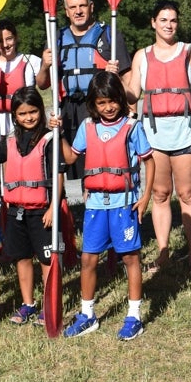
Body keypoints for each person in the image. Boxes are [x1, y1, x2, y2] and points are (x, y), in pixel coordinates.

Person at [124, 0, 191, 275]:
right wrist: (117, 81)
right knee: (160, 194)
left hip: (187, 133)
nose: (168, 25)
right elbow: (132, 96)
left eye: (173, 20)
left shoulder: (189, 52)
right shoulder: (142, 56)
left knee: (187, 195)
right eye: (163, 20)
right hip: (153, 134)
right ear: (153, 22)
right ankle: (163, 254)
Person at [60, 71, 152, 340]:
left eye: (112, 101)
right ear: (93, 104)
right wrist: (58, 132)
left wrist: (144, 196)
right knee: (88, 259)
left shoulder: (132, 127)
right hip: (95, 206)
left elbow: (150, 162)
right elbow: (70, 156)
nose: (108, 107)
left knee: (130, 258)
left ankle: (134, 316)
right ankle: (87, 314)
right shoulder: (87, 127)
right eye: (101, 103)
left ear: (120, 99)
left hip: (124, 204)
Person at [36, 0, 131, 183]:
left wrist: (115, 77)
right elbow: (42, 84)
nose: (78, 11)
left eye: (82, 6)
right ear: (66, 11)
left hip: (99, 107)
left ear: (91, 7)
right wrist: (45, 65)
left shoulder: (109, 35)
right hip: (68, 108)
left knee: (95, 164)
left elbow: (129, 86)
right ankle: (63, 210)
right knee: (66, 163)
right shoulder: (56, 38)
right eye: (73, 7)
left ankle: (94, 204)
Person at [0, 87, 62, 325]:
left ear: (41, 111)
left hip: (42, 211)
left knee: (46, 261)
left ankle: (49, 305)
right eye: (23, 113)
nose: (29, 117)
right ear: (15, 115)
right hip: (16, 211)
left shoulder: (49, 138)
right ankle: (28, 304)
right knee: (22, 258)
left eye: (33, 112)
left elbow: (59, 175)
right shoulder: (10, 141)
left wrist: (53, 206)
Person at [0, 18, 42, 139]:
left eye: (9, 39)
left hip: (22, 125)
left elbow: (44, 85)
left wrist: (45, 66)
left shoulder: (30, 61)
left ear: (16, 38)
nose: (5, 45)